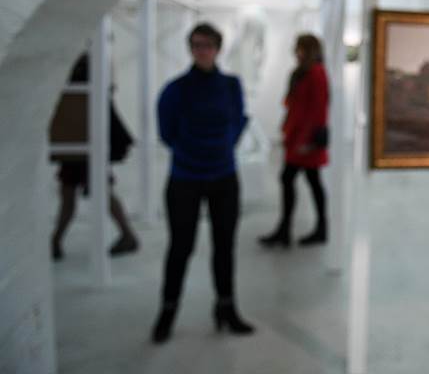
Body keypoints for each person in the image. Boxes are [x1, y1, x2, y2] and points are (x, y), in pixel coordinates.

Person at [152, 23, 254, 344]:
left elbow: (238, 121)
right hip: (185, 178)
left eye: (208, 45)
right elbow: (166, 132)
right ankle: (167, 312)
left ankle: (226, 307)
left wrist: (220, 148)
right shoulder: (175, 89)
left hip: (224, 177)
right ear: (190, 49)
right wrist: (193, 151)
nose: (202, 50)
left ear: (218, 49)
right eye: (196, 45)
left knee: (224, 246)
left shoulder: (231, 86)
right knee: (181, 247)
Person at [49, 54, 139, 260]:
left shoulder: (86, 73)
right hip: (78, 143)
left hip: (82, 143)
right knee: (82, 195)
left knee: (86, 195)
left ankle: (56, 240)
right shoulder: (88, 72)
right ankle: (56, 240)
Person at [259, 33, 330, 248]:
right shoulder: (302, 72)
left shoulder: (316, 72)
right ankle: (296, 229)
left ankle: (292, 229)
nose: (296, 51)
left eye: (300, 48)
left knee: (294, 179)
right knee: (307, 181)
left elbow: (319, 110)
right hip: (297, 138)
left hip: (306, 142)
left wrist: (307, 141)